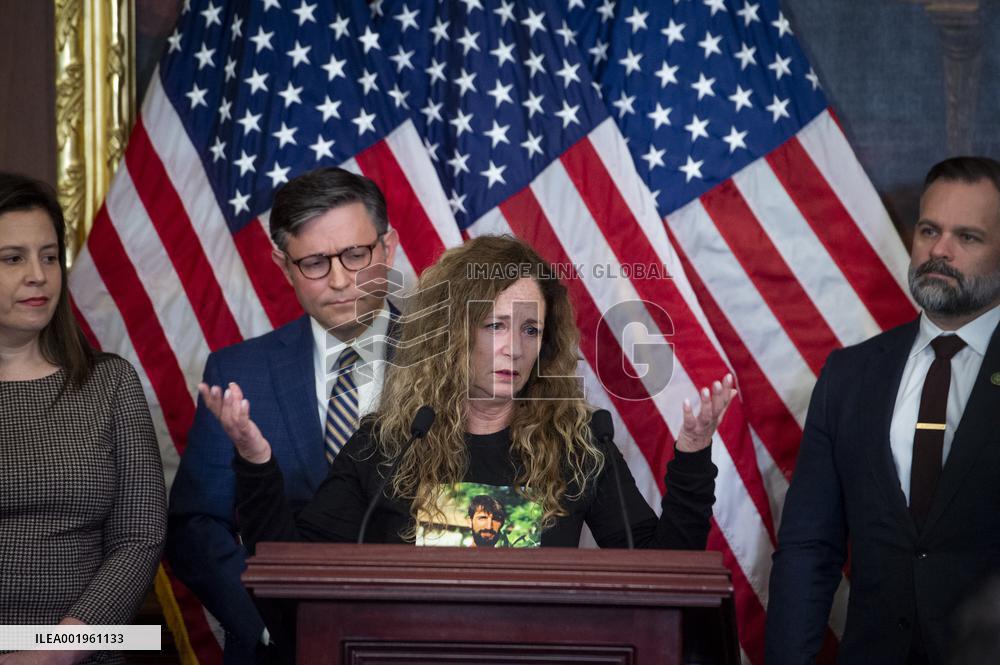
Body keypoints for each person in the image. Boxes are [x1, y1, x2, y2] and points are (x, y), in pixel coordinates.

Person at [207, 234, 729, 559]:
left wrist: (691, 457)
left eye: (530, 330)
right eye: (494, 324)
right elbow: (293, 566)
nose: (514, 348)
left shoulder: (577, 446)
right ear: (451, 332)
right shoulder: (389, 443)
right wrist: (256, 462)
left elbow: (661, 569)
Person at [766, 156, 1000, 665]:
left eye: (968, 237)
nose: (940, 250)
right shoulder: (849, 377)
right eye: (929, 230)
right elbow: (809, 549)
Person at [166, 167, 400, 662]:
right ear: (283, 264)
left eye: (356, 255)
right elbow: (196, 525)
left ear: (388, 248)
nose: (339, 281)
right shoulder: (238, 371)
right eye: (314, 262)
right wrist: (269, 624)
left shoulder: (454, 358)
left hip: (420, 640)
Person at [0, 173, 165, 664]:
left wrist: (57, 650)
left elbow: (141, 536)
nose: (38, 275)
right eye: (13, 258)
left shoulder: (109, 384)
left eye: (49, 256)